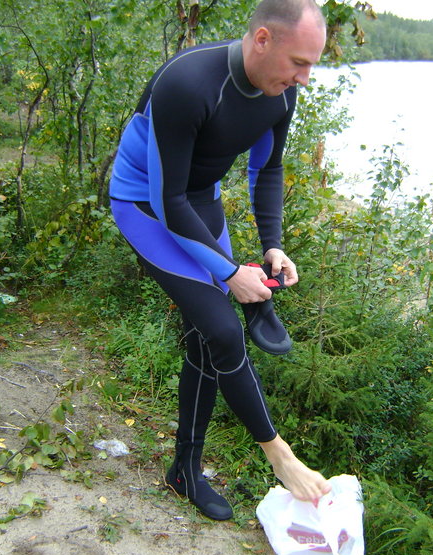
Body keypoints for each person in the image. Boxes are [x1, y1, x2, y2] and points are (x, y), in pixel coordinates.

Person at [108, 0, 331, 520]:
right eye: (299, 62)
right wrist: (229, 273)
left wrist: (271, 244)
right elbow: (166, 202)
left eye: (313, 65)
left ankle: (184, 470)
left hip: (198, 202)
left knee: (205, 338)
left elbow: (267, 170)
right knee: (223, 330)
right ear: (261, 40)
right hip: (145, 204)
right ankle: (279, 455)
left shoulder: (282, 95)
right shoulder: (188, 83)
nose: (305, 76)